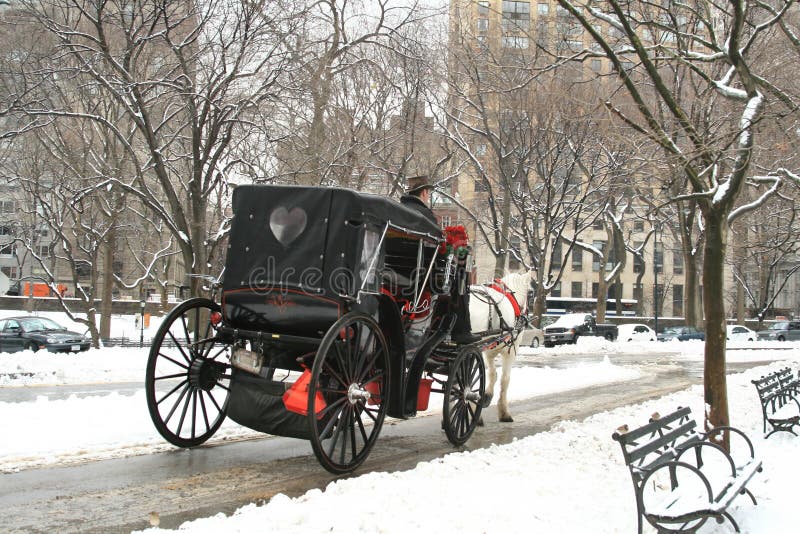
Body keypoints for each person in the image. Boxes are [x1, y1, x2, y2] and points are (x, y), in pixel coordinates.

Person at [400, 176, 480, 345]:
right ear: (423, 192)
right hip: (419, 276)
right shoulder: (424, 215)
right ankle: (461, 330)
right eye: (428, 193)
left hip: (393, 273)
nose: (428, 197)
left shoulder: (398, 211)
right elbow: (437, 247)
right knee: (460, 277)